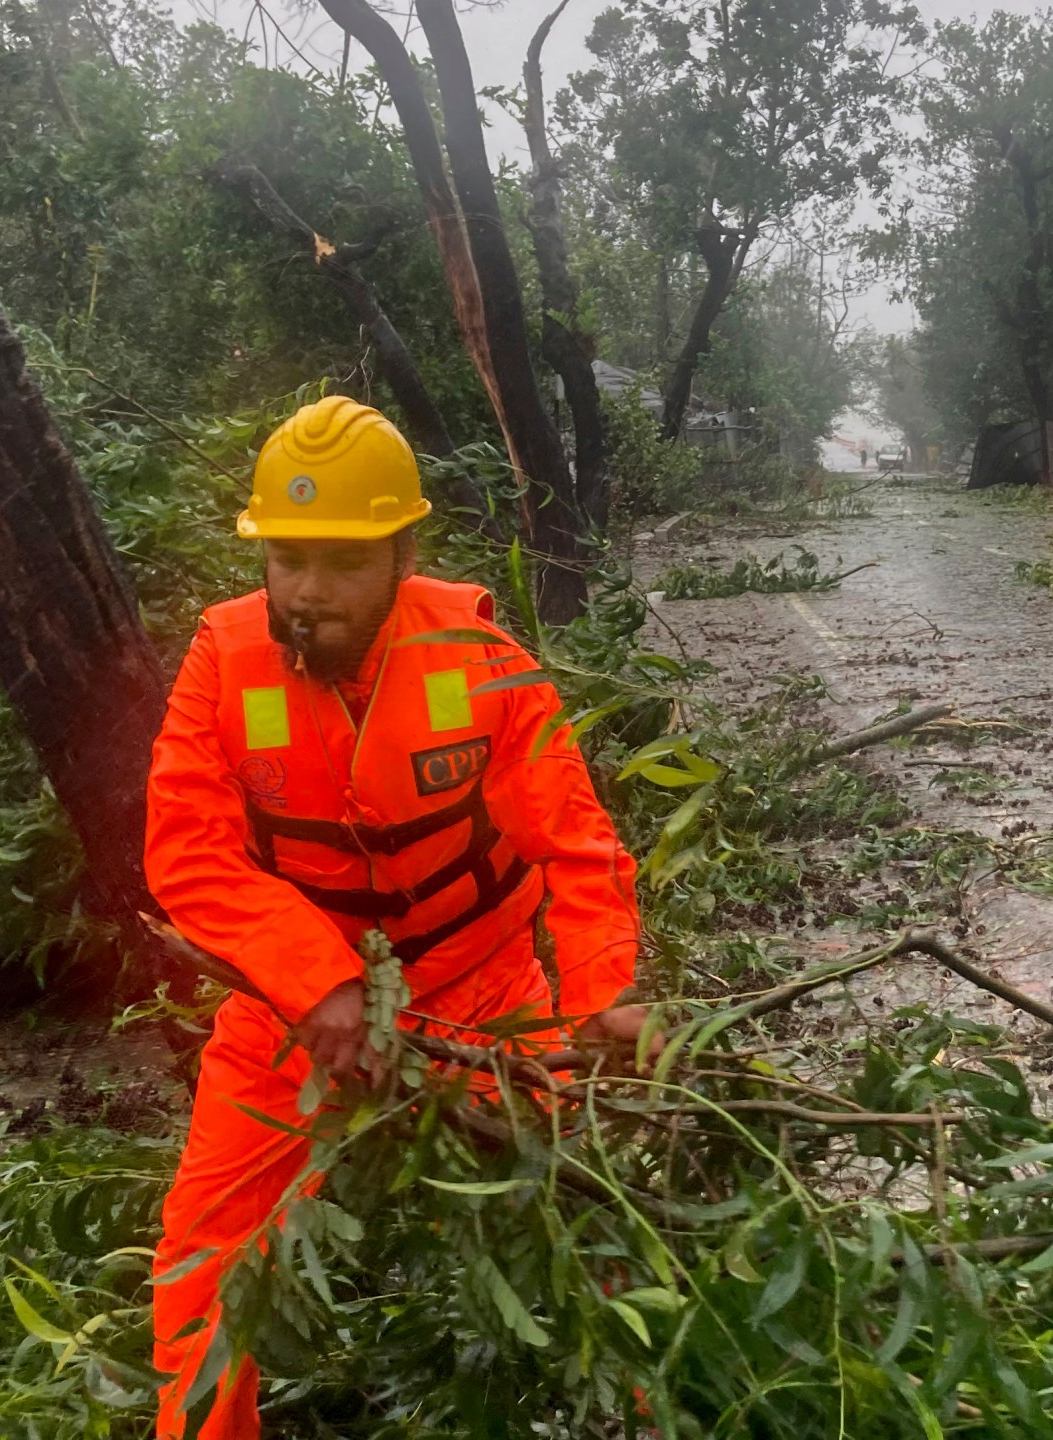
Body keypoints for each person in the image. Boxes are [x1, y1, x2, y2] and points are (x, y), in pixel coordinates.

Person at [142, 396, 645, 1439]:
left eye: (343, 562)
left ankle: (654, 1408)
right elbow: (185, 850)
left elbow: (574, 842)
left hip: (482, 995)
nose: (309, 592)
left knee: (592, 1215)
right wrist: (314, 978)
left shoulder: (478, 654)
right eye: (287, 559)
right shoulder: (223, 661)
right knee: (202, 1257)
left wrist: (603, 996)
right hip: (289, 1015)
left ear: (402, 555)